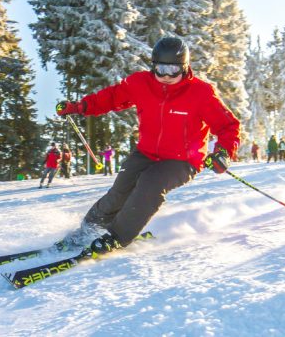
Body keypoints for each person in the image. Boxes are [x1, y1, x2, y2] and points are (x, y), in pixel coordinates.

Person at [55, 37, 240, 255]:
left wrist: (223, 153)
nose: (166, 76)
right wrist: (79, 107)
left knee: (150, 185)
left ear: (185, 66)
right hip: (145, 152)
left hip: (182, 161)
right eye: (161, 69)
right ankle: (86, 231)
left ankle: (116, 236)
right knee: (119, 192)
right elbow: (110, 97)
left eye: (173, 69)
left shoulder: (201, 93)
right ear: (153, 66)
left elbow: (228, 126)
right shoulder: (141, 83)